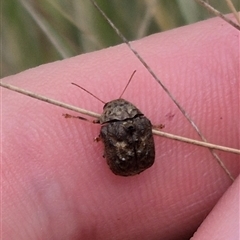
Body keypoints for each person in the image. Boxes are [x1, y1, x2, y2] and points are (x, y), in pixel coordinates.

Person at [2, 16, 239, 239]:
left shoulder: (109, 127)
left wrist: (82, 124)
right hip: (138, 161)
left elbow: (99, 131)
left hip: (127, 163)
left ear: (108, 115)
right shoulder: (140, 121)